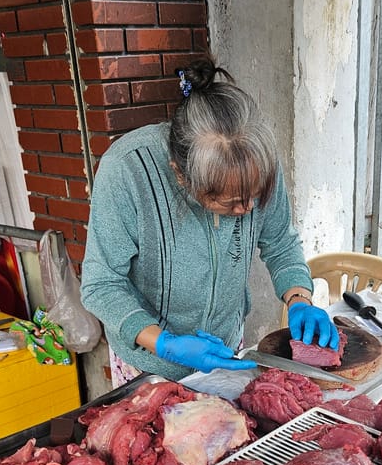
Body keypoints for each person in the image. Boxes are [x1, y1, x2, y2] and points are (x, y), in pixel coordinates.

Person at [81, 54, 338, 386]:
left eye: (254, 197)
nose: (246, 210)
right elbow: (101, 285)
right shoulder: (126, 171)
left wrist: (299, 298)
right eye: (230, 202)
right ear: (181, 176)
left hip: (225, 350)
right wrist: (164, 343)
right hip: (148, 364)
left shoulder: (255, 156)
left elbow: (280, 241)